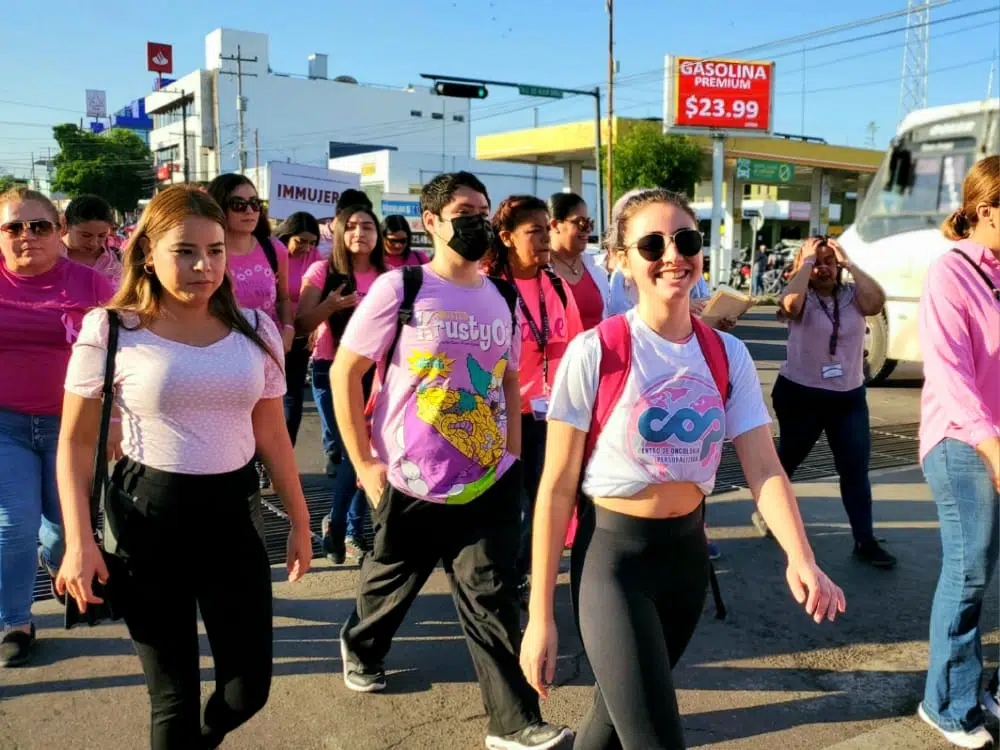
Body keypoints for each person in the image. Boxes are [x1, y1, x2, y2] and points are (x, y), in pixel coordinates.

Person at [519, 188, 846, 749]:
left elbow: (764, 467)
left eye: (686, 240)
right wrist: (538, 617)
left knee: (610, 723)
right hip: (613, 564)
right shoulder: (595, 351)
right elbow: (554, 490)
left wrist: (803, 557)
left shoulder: (727, 353)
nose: (672, 255)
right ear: (621, 259)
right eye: (651, 244)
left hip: (687, 562)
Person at [55, 185, 312, 749]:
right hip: (150, 520)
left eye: (216, 250)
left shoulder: (256, 329)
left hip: (235, 519)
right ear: (148, 252)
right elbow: (75, 444)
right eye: (185, 251)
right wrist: (78, 540)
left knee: (249, 689)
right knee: (172, 697)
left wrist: (299, 517)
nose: (204, 265)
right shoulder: (112, 329)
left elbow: (271, 431)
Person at [332, 172, 571, 750]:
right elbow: (346, 373)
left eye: (483, 211)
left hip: (486, 477)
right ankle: (361, 644)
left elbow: (510, 381)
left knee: (489, 593)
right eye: (464, 211)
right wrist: (365, 465)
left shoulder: (502, 295)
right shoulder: (402, 289)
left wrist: (512, 453)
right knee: (392, 580)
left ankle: (513, 723)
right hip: (410, 476)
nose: (478, 222)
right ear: (431, 221)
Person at [0, 188, 115, 667]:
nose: (28, 236)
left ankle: (57, 562)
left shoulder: (92, 286)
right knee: (14, 525)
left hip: (73, 428)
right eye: (13, 227)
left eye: (39, 226)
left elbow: (130, 347)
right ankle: (16, 622)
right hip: (5, 424)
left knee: (65, 530)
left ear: (59, 231)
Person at [916, 155, 1000, 750]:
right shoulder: (951, 273)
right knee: (970, 573)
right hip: (962, 441)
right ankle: (945, 701)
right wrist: (992, 446)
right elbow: (950, 375)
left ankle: (985, 685)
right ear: (987, 210)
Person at [755, 236, 896, 568]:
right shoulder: (799, 295)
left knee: (855, 469)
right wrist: (804, 264)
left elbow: (876, 302)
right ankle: (770, 512)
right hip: (801, 395)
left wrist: (848, 261)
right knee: (788, 460)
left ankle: (865, 540)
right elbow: (790, 304)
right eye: (816, 262)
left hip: (848, 399)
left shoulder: (852, 297)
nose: (823, 267)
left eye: (828, 261)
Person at [485, 195, 584, 588]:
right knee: (510, 504)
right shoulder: (490, 287)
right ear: (507, 238)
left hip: (551, 415)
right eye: (535, 231)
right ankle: (498, 571)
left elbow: (578, 348)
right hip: (503, 415)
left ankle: (523, 572)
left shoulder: (557, 286)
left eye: (548, 229)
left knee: (545, 498)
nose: (546, 239)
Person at [296, 205, 384, 562]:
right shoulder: (322, 271)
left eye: (367, 226)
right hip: (332, 371)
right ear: (338, 233)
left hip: (376, 375)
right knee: (353, 452)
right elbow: (301, 324)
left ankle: (344, 529)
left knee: (368, 452)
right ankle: (342, 528)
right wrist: (330, 306)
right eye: (351, 227)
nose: (359, 233)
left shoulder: (389, 277)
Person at [208, 174, 296, 489]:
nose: (249, 211)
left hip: (267, 352)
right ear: (220, 207)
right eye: (238, 204)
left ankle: (257, 468)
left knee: (269, 421)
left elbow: (284, 297)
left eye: (255, 203)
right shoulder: (211, 251)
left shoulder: (274, 249)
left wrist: (287, 328)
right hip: (221, 352)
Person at [276, 211, 323, 445]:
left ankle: (285, 452)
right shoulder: (273, 252)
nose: (306, 247)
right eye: (300, 241)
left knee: (291, 395)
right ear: (287, 235)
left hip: (299, 333)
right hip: (269, 332)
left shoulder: (315, 257)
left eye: (311, 242)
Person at [547, 192, 610, 331]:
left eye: (590, 223)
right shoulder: (539, 270)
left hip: (597, 351)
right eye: (581, 223)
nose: (587, 230)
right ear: (555, 225)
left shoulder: (596, 270)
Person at [62, 194, 123, 287]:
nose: (93, 243)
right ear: (66, 224)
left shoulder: (117, 258)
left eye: (102, 236)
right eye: (86, 235)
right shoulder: (47, 258)